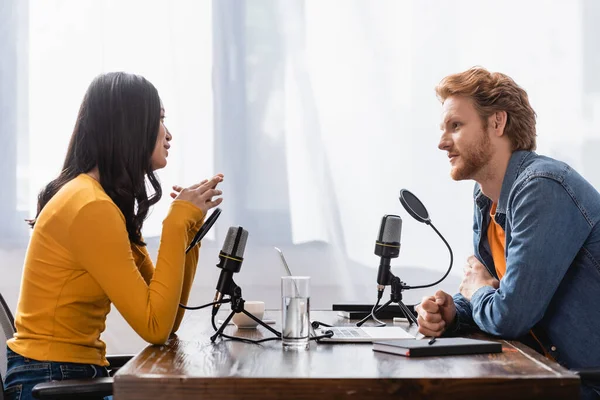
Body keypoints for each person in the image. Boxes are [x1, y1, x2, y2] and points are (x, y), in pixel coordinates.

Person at [3, 72, 223, 400]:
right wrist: (175, 225)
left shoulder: (101, 201)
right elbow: (154, 327)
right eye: (160, 119)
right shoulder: (89, 206)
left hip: (65, 375)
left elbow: (166, 319)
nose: (169, 134)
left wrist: (188, 235)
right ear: (131, 126)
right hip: (51, 381)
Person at [415, 67, 600, 399]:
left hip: (583, 384)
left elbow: (510, 316)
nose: (442, 142)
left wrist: (477, 292)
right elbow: (494, 292)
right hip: (542, 373)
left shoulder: (541, 187)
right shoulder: (487, 197)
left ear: (497, 123)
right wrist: (453, 313)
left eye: (456, 126)